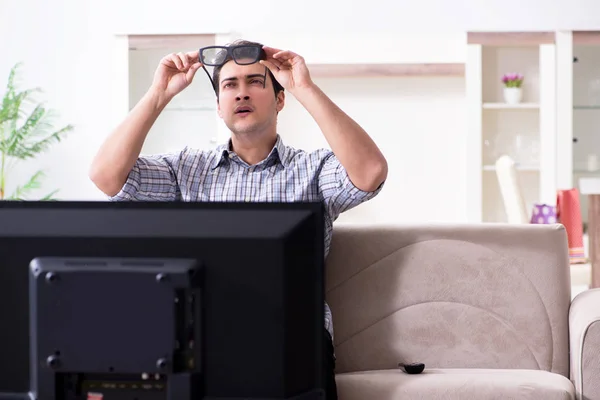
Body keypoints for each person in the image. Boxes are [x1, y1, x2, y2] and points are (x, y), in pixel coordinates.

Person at [89, 39, 388, 399]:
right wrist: (158, 94)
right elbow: (107, 177)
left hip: (294, 336)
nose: (241, 94)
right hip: (206, 335)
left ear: (280, 100)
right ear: (219, 106)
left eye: (255, 83)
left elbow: (370, 172)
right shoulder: (186, 169)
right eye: (230, 85)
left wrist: (304, 88)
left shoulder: (315, 169)